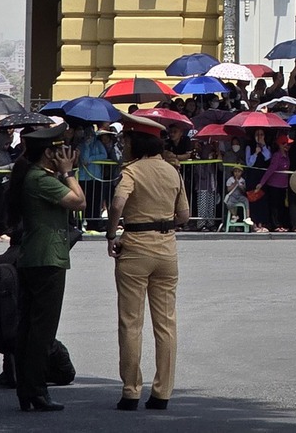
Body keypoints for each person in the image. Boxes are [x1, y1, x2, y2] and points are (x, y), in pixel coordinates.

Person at [109, 115, 188, 411]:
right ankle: (162, 392)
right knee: (166, 324)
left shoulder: (132, 171)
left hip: (135, 246)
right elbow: (184, 215)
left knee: (131, 322)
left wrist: (111, 233)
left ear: (135, 142)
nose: (123, 146)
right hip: (166, 248)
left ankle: (131, 391)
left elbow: (118, 203)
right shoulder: (171, 171)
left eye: (125, 140)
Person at [9, 126, 84, 414]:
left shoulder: (37, 177)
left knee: (30, 327)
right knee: (41, 330)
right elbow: (79, 201)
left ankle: (27, 389)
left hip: (36, 257)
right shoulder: (42, 179)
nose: (64, 155)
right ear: (49, 153)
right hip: (46, 259)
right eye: (59, 150)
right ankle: (36, 390)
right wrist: (68, 172)